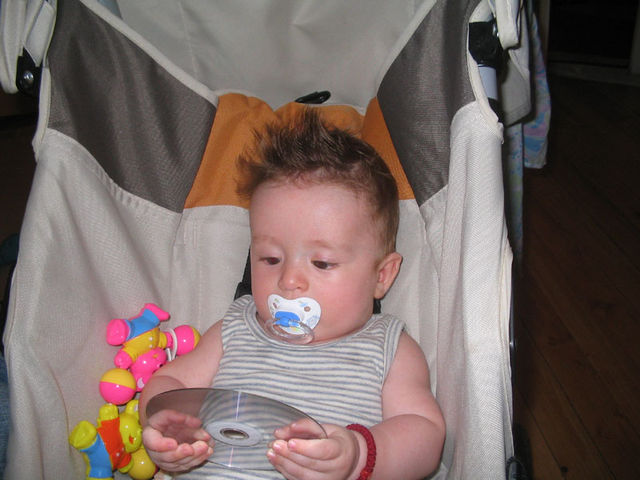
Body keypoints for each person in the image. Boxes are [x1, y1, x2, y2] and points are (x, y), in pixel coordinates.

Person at [139, 108, 445, 479]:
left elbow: (424, 434)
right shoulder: (235, 328)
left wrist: (357, 455)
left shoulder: (389, 347)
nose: (289, 281)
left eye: (321, 263)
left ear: (381, 276)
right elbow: (169, 383)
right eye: (270, 259)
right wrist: (166, 425)